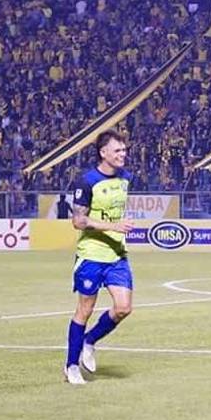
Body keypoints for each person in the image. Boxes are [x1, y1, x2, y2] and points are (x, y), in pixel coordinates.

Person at [64, 131, 135, 386]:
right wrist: (113, 226)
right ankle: (72, 366)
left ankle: (89, 340)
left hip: (117, 254)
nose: (122, 154)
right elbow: (78, 221)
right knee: (85, 310)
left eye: (124, 150)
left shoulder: (126, 178)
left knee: (124, 308)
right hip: (91, 255)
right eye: (117, 150)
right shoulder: (86, 182)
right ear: (103, 153)